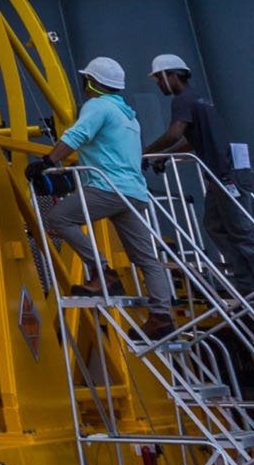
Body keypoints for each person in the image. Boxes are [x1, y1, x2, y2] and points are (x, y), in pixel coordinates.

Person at [143, 51, 254, 293]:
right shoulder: (199, 100)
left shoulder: (182, 100)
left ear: (172, 75)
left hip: (225, 174)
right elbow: (191, 140)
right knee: (215, 225)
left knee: (242, 232)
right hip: (225, 173)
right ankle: (247, 285)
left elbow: (175, 134)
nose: (158, 84)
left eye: (159, 78)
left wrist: (145, 152)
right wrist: (165, 156)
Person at [48, 56, 171, 309]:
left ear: (91, 82)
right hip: (135, 193)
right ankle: (162, 316)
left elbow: (77, 135)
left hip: (108, 189)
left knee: (58, 218)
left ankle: (103, 272)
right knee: (147, 259)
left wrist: (47, 161)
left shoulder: (97, 106)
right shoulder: (129, 118)